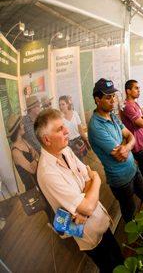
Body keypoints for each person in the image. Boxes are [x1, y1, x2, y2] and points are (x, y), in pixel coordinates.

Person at [35, 108, 123, 272]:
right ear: (47, 140)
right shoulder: (47, 173)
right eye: (60, 129)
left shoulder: (65, 150)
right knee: (111, 267)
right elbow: (89, 202)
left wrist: (85, 198)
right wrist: (96, 180)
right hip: (89, 234)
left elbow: (87, 183)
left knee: (120, 259)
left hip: (99, 221)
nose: (67, 130)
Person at [88, 78, 143, 222]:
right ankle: (135, 242)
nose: (113, 100)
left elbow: (130, 135)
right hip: (121, 181)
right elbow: (120, 155)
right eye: (107, 97)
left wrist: (127, 146)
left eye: (113, 96)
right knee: (130, 213)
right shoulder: (96, 127)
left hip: (133, 170)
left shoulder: (112, 116)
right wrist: (127, 145)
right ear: (97, 100)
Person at [7, 115, 39, 191]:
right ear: (18, 129)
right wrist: (36, 158)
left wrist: (35, 158)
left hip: (38, 181)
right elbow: (32, 169)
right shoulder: (15, 151)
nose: (23, 125)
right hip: (32, 188)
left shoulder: (24, 141)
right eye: (21, 124)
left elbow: (36, 153)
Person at [59, 96, 90, 160]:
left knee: (82, 162)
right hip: (68, 144)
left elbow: (80, 130)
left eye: (63, 104)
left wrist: (86, 141)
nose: (61, 106)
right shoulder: (60, 118)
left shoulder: (75, 113)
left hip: (79, 142)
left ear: (67, 104)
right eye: (60, 105)